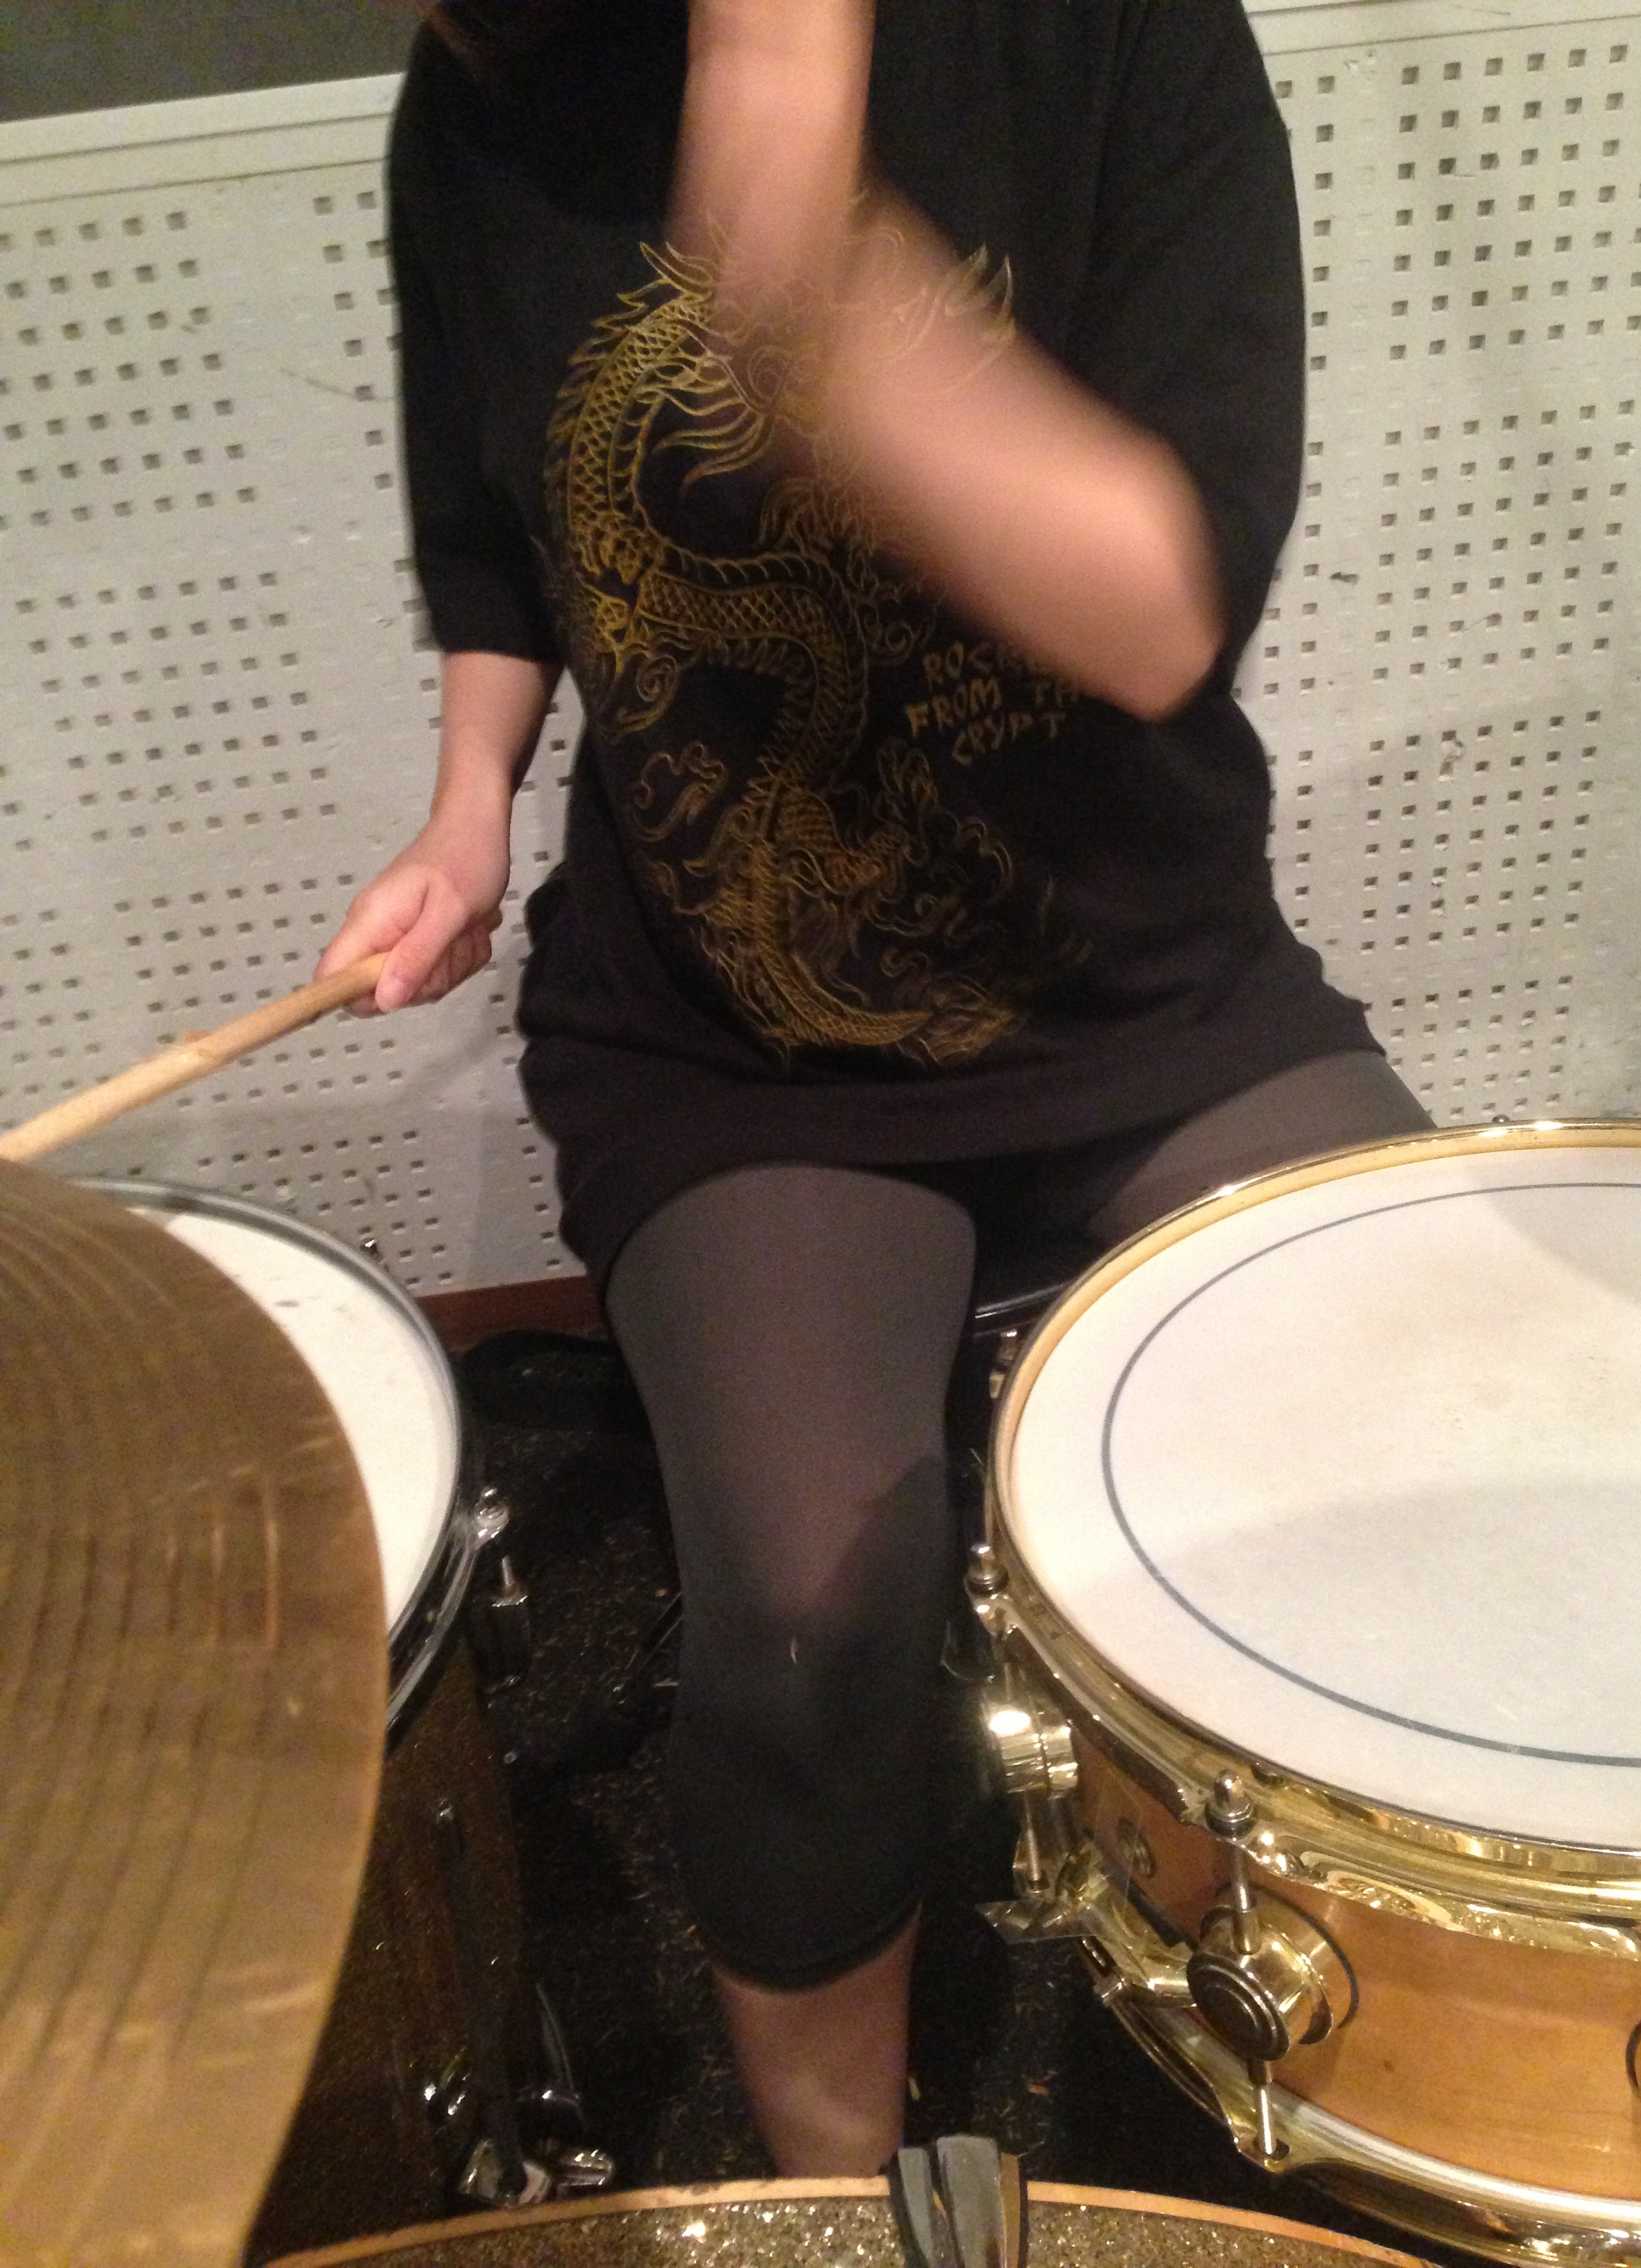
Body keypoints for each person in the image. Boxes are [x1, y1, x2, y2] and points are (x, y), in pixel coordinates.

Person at [317, 0, 1430, 2176]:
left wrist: (799, 241)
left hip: (1145, 985)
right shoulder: (487, 88)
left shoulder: (1110, 38)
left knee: (1447, 1454)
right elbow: (489, 518)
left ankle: (1394, 2083)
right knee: (813, 1620)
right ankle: (836, 2197)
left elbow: (1157, 612)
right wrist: (466, 807)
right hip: (738, 1038)